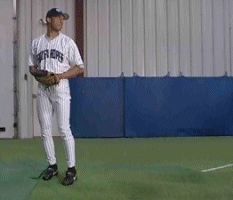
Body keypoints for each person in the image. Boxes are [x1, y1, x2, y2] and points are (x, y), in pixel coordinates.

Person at [28, 8, 84, 186]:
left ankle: (71, 169)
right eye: (58, 18)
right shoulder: (37, 43)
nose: (61, 21)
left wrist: (59, 76)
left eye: (63, 18)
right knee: (45, 129)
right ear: (48, 20)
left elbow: (80, 67)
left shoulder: (67, 43)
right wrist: (41, 74)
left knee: (63, 129)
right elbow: (31, 67)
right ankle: (52, 165)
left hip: (60, 88)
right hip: (43, 89)